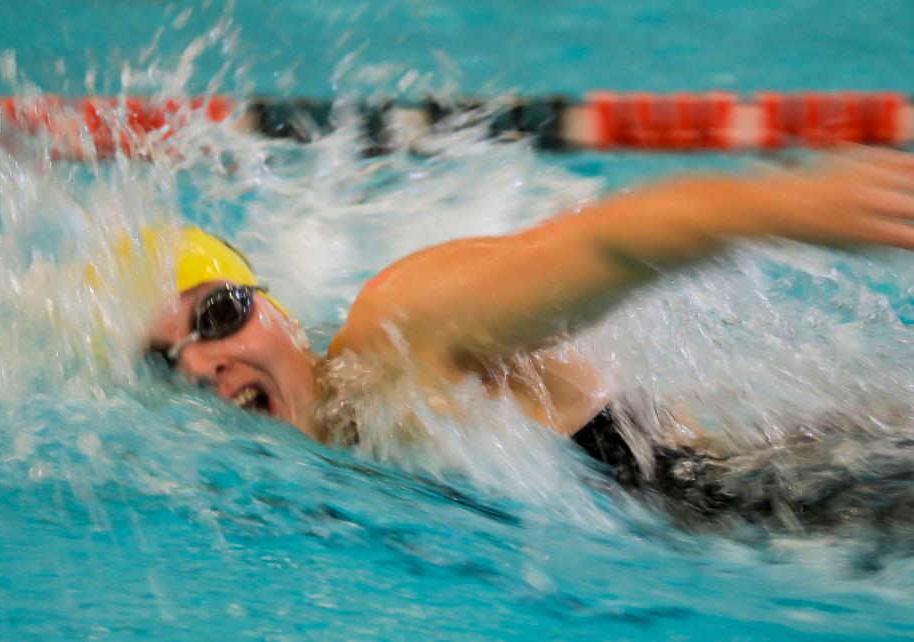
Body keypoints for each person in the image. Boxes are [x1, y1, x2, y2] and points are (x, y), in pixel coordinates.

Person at [144, 148, 914, 514]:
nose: (202, 365)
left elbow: (602, 243)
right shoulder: (321, 471)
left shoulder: (396, 334)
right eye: (161, 363)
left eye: (218, 315)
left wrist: (793, 208)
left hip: (796, 501)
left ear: (276, 309)